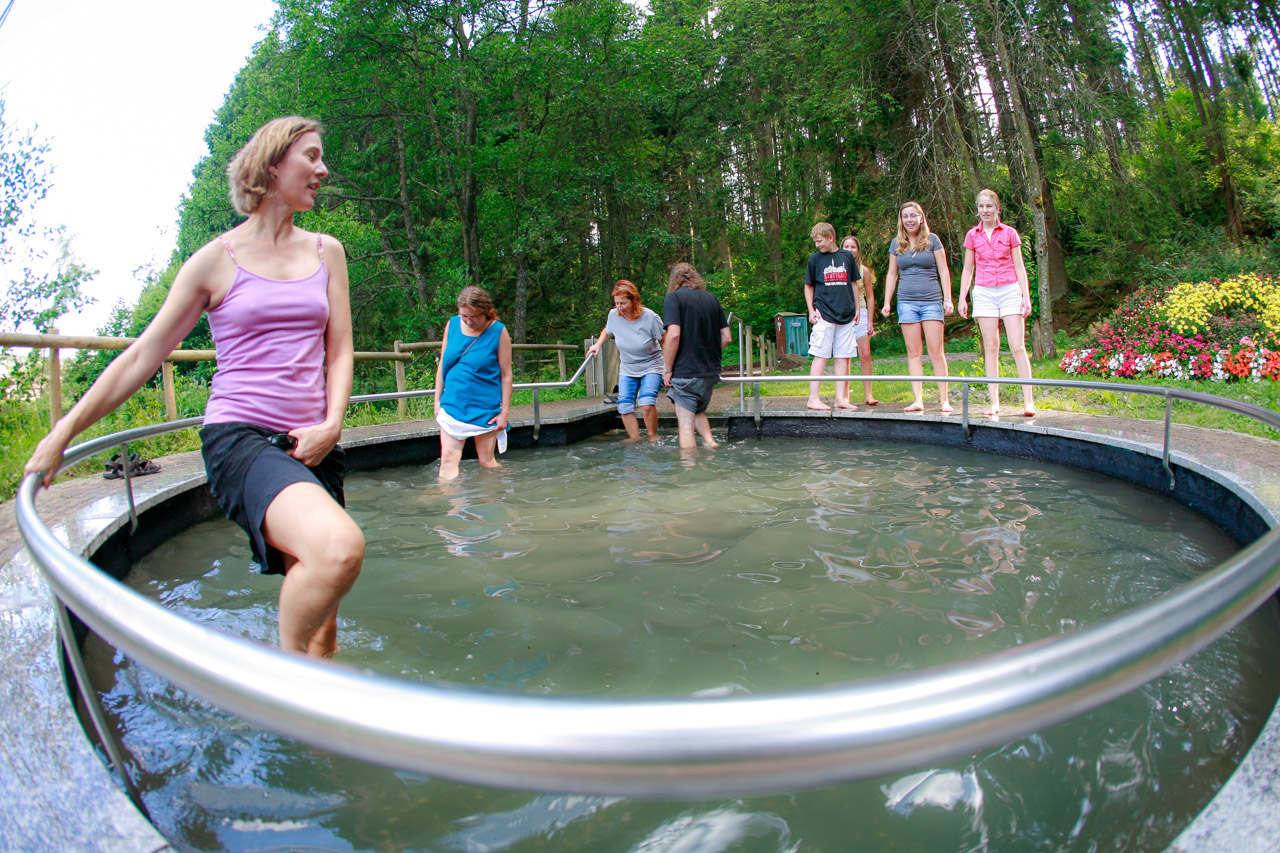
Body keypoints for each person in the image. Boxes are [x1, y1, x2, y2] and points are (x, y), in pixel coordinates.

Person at [24, 116, 362, 658]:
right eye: (312, 156)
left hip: (314, 440)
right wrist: (62, 433)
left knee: (325, 616)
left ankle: (320, 703)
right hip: (242, 437)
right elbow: (143, 355)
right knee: (339, 549)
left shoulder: (328, 252)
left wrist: (332, 424)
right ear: (273, 163)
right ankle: (280, 679)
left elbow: (339, 349)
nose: (324, 170)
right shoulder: (213, 261)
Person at [957, 189, 1036, 417]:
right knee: (991, 347)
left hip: (1009, 289)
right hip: (984, 292)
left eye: (989, 206)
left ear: (997, 208)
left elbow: (1019, 267)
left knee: (1017, 346)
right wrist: (962, 297)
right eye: (981, 206)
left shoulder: (1010, 233)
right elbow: (968, 268)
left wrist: (1025, 296)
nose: (985, 210)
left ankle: (1028, 402)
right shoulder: (972, 235)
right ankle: (994, 402)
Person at [880, 201, 954, 414]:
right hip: (907, 303)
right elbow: (892, 274)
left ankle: (944, 400)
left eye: (913, 215)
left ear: (921, 218)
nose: (909, 220)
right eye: (905, 216)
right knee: (913, 352)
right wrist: (887, 302)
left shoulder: (932, 240)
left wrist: (948, 299)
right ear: (901, 220)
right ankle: (918, 400)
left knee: (936, 351)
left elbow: (944, 270)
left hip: (931, 301)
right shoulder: (896, 244)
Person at [433, 285, 513, 480]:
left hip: (484, 408)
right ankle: (450, 500)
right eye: (464, 316)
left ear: (486, 312)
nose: (469, 321)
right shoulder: (452, 324)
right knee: (447, 460)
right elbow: (443, 364)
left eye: (474, 317)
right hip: (453, 404)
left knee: (487, 462)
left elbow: (506, 375)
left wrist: (504, 413)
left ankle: (504, 489)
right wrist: (437, 400)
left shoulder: (498, 331)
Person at [661, 262, 730, 449]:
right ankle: (710, 442)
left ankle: (689, 465)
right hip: (709, 372)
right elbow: (727, 337)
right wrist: (707, 352)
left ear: (674, 280)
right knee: (697, 410)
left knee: (685, 426)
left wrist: (667, 369)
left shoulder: (674, 298)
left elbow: (673, 335)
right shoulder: (711, 299)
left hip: (686, 372)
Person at [587, 279, 665, 440]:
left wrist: (669, 367)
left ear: (634, 300)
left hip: (652, 364)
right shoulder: (613, 315)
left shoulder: (650, 317)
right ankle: (634, 438)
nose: (619, 307)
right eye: (617, 303)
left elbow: (665, 340)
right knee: (624, 405)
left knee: (646, 403)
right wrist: (598, 344)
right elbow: (607, 330)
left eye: (623, 303)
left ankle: (652, 435)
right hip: (628, 367)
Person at [804, 222, 862, 411]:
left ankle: (840, 398)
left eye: (820, 241)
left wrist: (857, 308)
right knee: (821, 355)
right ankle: (813, 398)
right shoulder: (815, 259)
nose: (817, 245)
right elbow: (808, 286)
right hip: (824, 313)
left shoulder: (847, 256)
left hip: (846, 314)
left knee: (843, 356)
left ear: (831, 238)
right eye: (815, 242)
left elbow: (853, 283)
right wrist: (811, 310)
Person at [841, 234, 879, 406]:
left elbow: (870, 296)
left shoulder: (864, 271)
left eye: (853, 247)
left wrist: (870, 321)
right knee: (845, 355)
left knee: (865, 353)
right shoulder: (836, 268)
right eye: (846, 246)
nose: (850, 250)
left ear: (858, 250)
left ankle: (868, 394)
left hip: (861, 312)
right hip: (842, 313)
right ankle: (844, 396)